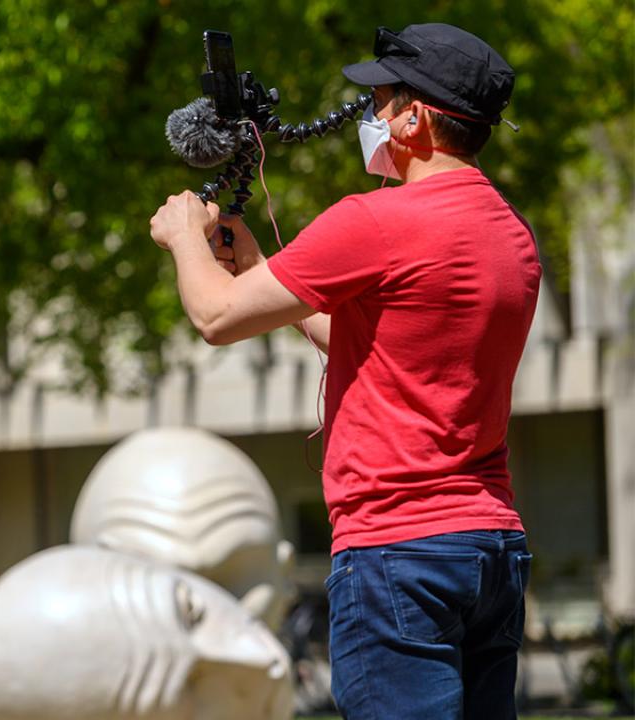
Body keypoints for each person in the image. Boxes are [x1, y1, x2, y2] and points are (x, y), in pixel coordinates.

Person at [149, 23, 539, 720]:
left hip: (397, 551)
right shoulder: (510, 232)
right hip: (490, 546)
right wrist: (265, 275)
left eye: (381, 101)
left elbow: (214, 317)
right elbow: (394, 349)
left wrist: (185, 237)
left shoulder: (379, 220)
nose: (371, 117)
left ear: (416, 117)